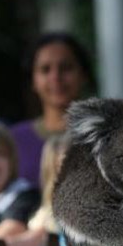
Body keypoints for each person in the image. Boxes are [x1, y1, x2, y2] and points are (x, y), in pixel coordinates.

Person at [10, 33, 91, 189]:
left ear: (83, 75)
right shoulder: (13, 140)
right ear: (33, 80)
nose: (56, 77)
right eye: (45, 69)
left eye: (66, 68)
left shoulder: (101, 137)